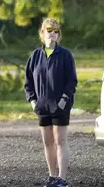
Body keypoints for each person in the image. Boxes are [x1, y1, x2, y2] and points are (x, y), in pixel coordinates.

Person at [24, 18, 78, 187]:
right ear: (42, 32)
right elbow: (28, 82)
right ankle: (52, 176)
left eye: (56, 31)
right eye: (49, 30)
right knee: (47, 142)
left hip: (61, 106)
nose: (53, 33)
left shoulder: (65, 55)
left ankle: (61, 179)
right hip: (42, 106)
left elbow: (72, 81)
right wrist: (33, 101)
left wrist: (63, 101)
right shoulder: (35, 56)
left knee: (60, 141)